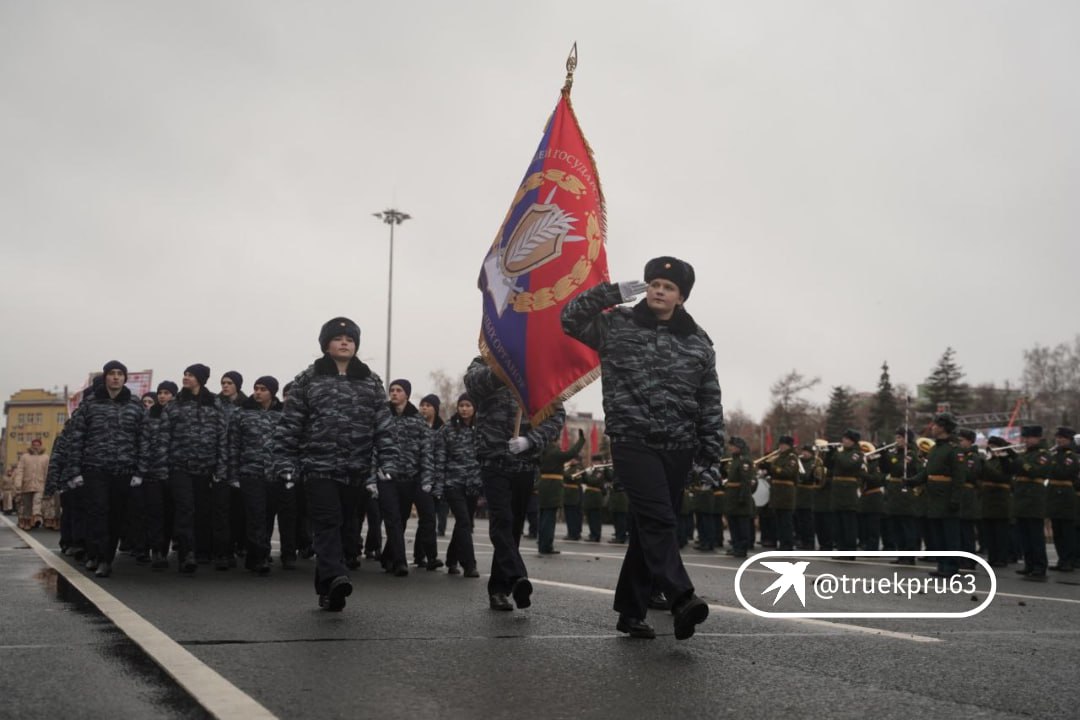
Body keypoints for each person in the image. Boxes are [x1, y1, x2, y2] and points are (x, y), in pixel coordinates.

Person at [561, 256, 719, 641]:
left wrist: (710, 455)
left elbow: (710, 401)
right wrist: (610, 293)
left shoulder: (698, 341)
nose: (659, 291)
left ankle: (631, 612)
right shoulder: (617, 323)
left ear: (681, 297)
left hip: (679, 445)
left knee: (649, 526)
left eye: (668, 287)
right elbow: (569, 318)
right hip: (633, 441)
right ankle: (681, 597)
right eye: (654, 284)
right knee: (659, 521)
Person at [271, 317, 398, 611]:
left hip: (356, 468)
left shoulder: (370, 380)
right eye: (338, 339)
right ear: (326, 344)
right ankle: (336, 576)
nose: (344, 343)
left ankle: (328, 590)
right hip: (318, 465)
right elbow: (290, 424)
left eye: (350, 340)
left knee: (344, 527)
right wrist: (286, 463)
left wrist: (388, 460)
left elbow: (383, 425)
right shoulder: (308, 378)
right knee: (327, 522)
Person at [464, 356, 565, 613]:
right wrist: (504, 368)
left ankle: (501, 587)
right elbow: (473, 384)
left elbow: (557, 416)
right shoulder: (484, 362)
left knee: (515, 526)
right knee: (502, 520)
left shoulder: (540, 371)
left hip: (524, 461)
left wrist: (531, 440)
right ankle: (516, 578)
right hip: (494, 458)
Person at [64, 361, 145, 577]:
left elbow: (144, 440)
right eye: (112, 373)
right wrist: (74, 471)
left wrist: (140, 471)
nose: (116, 377)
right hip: (95, 468)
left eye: (120, 374)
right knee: (97, 512)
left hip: (123, 470)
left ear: (125, 378)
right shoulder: (90, 404)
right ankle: (99, 557)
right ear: (106, 377)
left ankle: (105, 556)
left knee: (115, 516)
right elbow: (77, 439)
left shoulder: (135, 405)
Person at [151, 363, 227, 573]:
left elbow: (222, 437)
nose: (186, 378)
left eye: (191, 375)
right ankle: (186, 554)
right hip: (179, 466)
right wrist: (162, 469)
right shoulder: (174, 405)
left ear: (200, 379)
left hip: (205, 468)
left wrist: (221, 468)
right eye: (185, 374)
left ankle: (200, 550)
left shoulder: (215, 404)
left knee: (201, 512)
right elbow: (163, 438)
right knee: (185, 509)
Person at [228, 376, 286, 575]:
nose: (258, 392)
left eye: (263, 389)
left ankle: (258, 554)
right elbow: (233, 446)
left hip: (275, 474)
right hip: (250, 472)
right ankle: (259, 557)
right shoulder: (241, 414)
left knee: (268, 515)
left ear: (272, 392)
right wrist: (233, 474)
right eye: (256, 388)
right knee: (256, 515)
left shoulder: (283, 415)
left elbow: (289, 445)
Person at [905, 413, 964, 577]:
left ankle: (951, 567)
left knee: (950, 535)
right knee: (938, 534)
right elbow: (927, 472)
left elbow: (959, 477)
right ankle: (942, 565)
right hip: (934, 497)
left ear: (943, 428)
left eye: (936, 425)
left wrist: (955, 499)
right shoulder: (935, 449)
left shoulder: (954, 449)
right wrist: (912, 481)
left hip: (947, 496)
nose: (933, 428)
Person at [434, 393, 483, 577]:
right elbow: (440, 459)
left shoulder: (481, 429)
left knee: (464, 522)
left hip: (473, 484)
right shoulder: (448, 429)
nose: (464, 409)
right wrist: (439, 485)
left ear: (474, 408)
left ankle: (451, 559)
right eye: (461, 405)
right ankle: (469, 564)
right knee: (463, 521)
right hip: (453, 483)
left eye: (468, 405)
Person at [131, 380, 177, 569]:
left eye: (167, 393)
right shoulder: (150, 416)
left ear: (174, 396)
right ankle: (156, 551)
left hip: (174, 473)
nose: (162, 396)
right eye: (160, 393)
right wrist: (141, 471)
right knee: (154, 513)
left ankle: (164, 549)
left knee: (170, 515)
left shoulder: (179, 415)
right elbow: (144, 445)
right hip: (153, 473)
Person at [537, 429, 585, 555]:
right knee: (549, 518)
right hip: (552, 486)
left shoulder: (542, 450)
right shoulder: (554, 451)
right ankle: (546, 546)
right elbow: (571, 453)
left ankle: (542, 543)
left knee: (543, 515)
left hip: (543, 484)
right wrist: (581, 440)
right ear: (555, 439)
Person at [825, 430, 863, 553]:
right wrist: (829, 453)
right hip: (838, 491)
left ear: (852, 441)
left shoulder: (857, 453)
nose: (843, 441)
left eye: (846, 439)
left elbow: (847, 464)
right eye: (844, 438)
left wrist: (836, 453)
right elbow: (829, 465)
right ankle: (841, 548)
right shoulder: (840, 453)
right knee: (838, 524)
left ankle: (850, 550)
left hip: (848, 492)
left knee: (849, 524)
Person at [980, 436, 1015, 568]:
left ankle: (1002, 558)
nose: (991, 449)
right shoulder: (989, 460)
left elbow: (1001, 477)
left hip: (1000, 499)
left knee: (1000, 532)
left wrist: (984, 465)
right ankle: (992, 557)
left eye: (994, 446)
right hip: (988, 499)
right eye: (990, 446)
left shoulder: (1005, 461)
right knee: (989, 532)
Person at [420, 394, 451, 538]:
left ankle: (441, 528)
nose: (424, 408)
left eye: (428, 406)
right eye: (422, 405)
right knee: (426, 514)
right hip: (421, 476)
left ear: (435, 409)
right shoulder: (417, 426)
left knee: (441, 505)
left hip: (439, 474)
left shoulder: (443, 429)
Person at [1047, 426, 1078, 572]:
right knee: (1057, 531)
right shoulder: (1055, 455)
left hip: (1066, 496)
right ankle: (1062, 559)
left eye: (1062, 438)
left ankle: (1069, 561)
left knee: (1067, 531)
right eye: (1058, 438)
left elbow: (1063, 473)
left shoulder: (1071, 456)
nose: (1059, 440)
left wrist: (1051, 461)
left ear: (1069, 440)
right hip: (1054, 496)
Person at [764, 436, 798, 551]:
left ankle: (788, 544)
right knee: (779, 520)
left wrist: (773, 468)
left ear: (789, 446)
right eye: (780, 444)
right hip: (777, 492)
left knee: (786, 521)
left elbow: (788, 472)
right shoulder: (779, 457)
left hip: (786, 492)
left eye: (784, 445)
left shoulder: (792, 457)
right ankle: (782, 543)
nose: (781, 447)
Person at [725, 438, 755, 559]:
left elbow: (745, 481)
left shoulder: (744, 460)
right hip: (732, 496)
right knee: (733, 523)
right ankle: (736, 546)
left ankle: (742, 548)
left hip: (740, 496)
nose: (731, 448)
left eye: (733, 446)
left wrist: (742, 497)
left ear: (739, 447)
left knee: (742, 524)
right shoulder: (734, 460)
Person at [13, 439, 50, 531]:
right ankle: (27, 522)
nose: (36, 446)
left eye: (38, 445)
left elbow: (47, 472)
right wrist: (18, 482)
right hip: (27, 484)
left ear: (40, 446)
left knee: (37, 502)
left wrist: (48, 483)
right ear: (31, 445)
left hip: (40, 484)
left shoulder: (45, 457)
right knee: (27, 505)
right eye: (34, 444)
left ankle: (36, 517)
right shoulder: (25, 457)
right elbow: (20, 470)